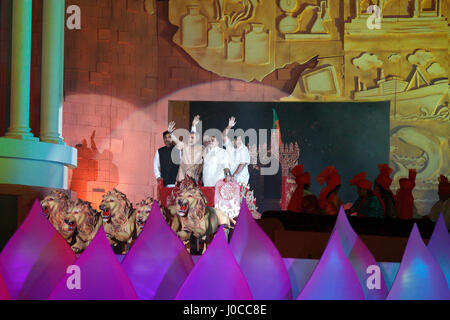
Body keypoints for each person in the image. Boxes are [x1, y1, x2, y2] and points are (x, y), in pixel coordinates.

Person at [168, 115, 204, 183]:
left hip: (194, 179)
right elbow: (176, 140)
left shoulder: (202, 148)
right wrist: (170, 132)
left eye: (192, 138)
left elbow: (203, 162)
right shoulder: (184, 146)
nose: (190, 139)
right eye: (189, 138)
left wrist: (199, 174)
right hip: (181, 179)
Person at [222, 116, 251, 185]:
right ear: (233, 140)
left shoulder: (244, 149)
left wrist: (234, 175)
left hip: (241, 178)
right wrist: (229, 126)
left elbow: (242, 164)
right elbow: (223, 136)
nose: (239, 142)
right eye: (237, 140)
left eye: (241, 140)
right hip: (230, 177)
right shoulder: (229, 144)